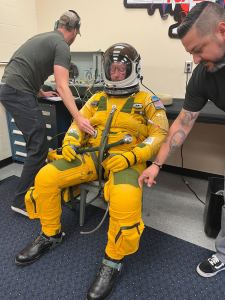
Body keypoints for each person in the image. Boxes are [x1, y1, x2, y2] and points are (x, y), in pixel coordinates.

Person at [14, 43, 168, 300]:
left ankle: (112, 261)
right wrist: (71, 143)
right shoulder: (97, 99)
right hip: (90, 156)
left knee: (125, 198)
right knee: (45, 177)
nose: (116, 75)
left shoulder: (147, 101)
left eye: (121, 70)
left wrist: (134, 155)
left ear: (133, 70)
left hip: (125, 161)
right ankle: (50, 234)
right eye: (112, 69)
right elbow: (78, 123)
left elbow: (159, 135)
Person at [139, 1, 225, 278]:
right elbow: (183, 124)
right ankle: (224, 253)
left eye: (198, 50)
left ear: (222, 30)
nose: (196, 59)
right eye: (191, 53)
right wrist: (157, 164)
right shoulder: (203, 75)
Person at [0, 10, 94, 217]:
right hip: (18, 91)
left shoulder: (43, 37)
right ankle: (20, 201)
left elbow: (26, 65)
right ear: (75, 30)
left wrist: (40, 90)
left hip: (10, 87)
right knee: (40, 145)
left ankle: (38, 188)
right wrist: (78, 117)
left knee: (35, 142)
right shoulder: (62, 45)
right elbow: (62, 85)